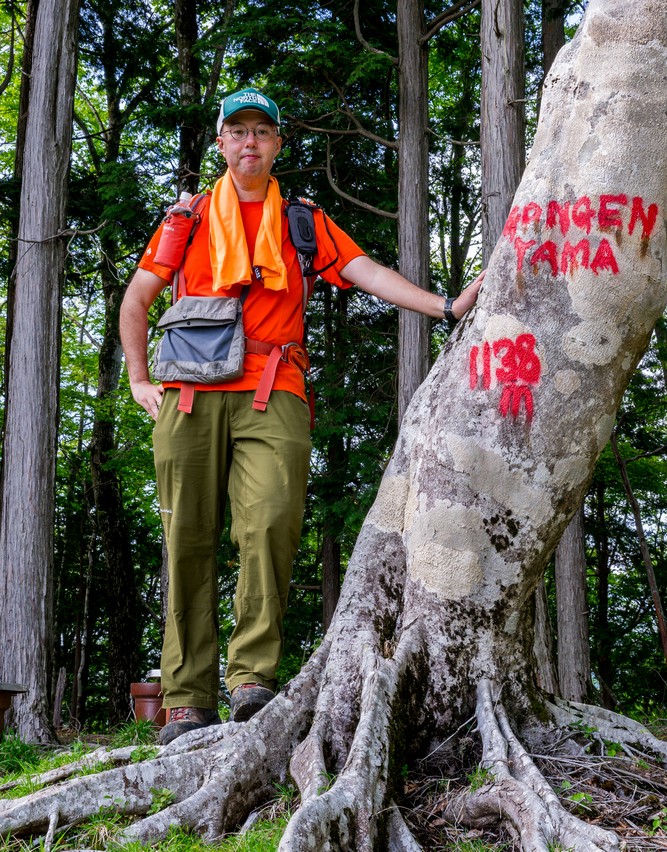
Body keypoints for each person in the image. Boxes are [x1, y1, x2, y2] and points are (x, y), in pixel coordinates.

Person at [120, 87, 481, 745]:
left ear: (277, 143)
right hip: (188, 395)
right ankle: (186, 698)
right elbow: (138, 297)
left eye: (262, 131)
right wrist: (140, 379)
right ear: (221, 143)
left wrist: (445, 307)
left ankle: (250, 678)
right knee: (188, 539)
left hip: (273, 387)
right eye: (238, 131)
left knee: (271, 525)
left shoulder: (301, 220)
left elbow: (367, 271)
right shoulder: (188, 219)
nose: (250, 142)